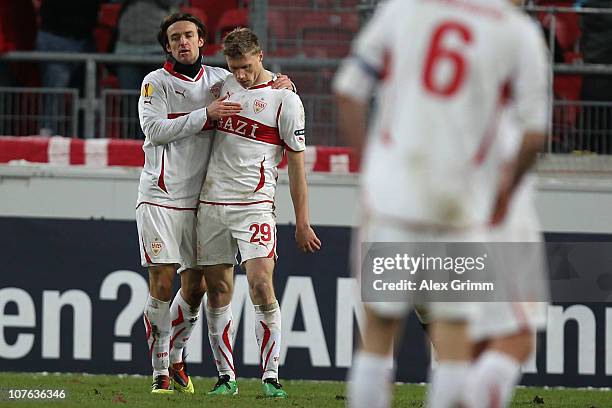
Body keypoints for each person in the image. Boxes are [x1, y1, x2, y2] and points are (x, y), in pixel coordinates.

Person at [333, 0, 548, 407]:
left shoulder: (404, 9)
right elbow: (534, 135)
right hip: (462, 201)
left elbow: (348, 91)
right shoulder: (517, 31)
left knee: (378, 331)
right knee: (453, 335)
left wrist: (372, 167)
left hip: (394, 194)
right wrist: (503, 193)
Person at [137, 13, 292, 394]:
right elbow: (154, 131)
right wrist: (204, 114)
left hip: (201, 200)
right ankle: (160, 370)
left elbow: (254, 78)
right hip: (160, 195)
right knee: (162, 278)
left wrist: (282, 83)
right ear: (168, 47)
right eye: (175, 38)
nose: (183, 42)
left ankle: (175, 355)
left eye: (189, 35)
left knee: (195, 288)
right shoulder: (154, 84)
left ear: (201, 40)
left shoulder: (217, 82)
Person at [196, 28, 321, 398]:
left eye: (247, 67)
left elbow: (297, 165)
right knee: (218, 290)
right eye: (234, 68)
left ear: (261, 56)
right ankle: (225, 378)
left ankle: (270, 376)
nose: (242, 75)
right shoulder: (222, 86)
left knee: (261, 285)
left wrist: (302, 221)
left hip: (255, 206)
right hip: (212, 203)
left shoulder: (286, 100)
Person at [35, 0, 101, 135]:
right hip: (56, 36)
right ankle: (48, 137)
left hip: (85, 37)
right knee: (54, 96)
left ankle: (87, 139)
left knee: (88, 95)